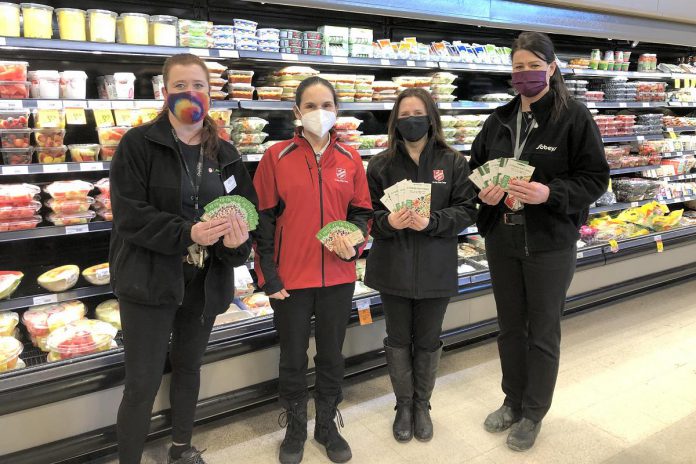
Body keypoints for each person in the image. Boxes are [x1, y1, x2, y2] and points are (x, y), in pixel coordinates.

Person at [110, 53, 257, 464]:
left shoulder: (225, 153)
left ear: (210, 93)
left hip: (203, 285)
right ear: (164, 92)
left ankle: (180, 447)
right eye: (180, 86)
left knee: (189, 369)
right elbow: (129, 215)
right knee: (141, 381)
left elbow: (246, 210)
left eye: (198, 85)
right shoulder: (138, 144)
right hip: (149, 280)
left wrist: (238, 240)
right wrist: (186, 232)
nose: (190, 93)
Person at [469, 32, 610, 451]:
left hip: (549, 241)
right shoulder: (498, 120)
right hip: (502, 238)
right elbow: (475, 167)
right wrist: (484, 192)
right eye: (518, 67)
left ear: (551, 68)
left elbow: (595, 178)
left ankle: (534, 412)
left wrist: (551, 193)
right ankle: (512, 400)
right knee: (510, 329)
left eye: (534, 65)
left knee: (542, 331)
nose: (525, 74)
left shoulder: (573, 117)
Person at [252, 76, 372, 464]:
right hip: (291, 279)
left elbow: (362, 213)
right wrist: (268, 276)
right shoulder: (277, 156)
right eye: (310, 105)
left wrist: (354, 238)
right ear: (296, 113)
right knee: (292, 357)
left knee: (332, 356)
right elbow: (263, 221)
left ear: (336, 110)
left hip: (338, 277)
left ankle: (326, 424)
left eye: (326, 105)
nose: (319, 112)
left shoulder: (352, 159)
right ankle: (295, 427)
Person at [364, 88, 478, 443]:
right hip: (393, 267)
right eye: (403, 115)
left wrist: (431, 222)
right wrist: (389, 223)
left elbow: (467, 210)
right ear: (395, 123)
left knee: (428, 340)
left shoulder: (454, 162)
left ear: (430, 117)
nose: (410, 120)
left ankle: (422, 404)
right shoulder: (380, 164)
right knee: (398, 338)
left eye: (417, 113)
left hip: (436, 267)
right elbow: (366, 216)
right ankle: (403, 404)